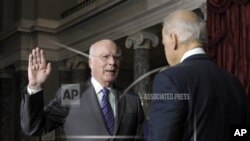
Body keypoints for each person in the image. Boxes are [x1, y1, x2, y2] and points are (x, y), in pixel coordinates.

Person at [148, 9, 248, 141]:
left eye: (164, 44)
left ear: (173, 39)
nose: (165, 48)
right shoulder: (234, 82)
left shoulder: (169, 79)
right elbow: (242, 133)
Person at [21, 39, 145, 141]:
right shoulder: (72, 93)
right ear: (91, 62)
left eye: (116, 57)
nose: (112, 62)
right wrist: (35, 86)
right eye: (105, 56)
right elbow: (34, 128)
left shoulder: (131, 99)